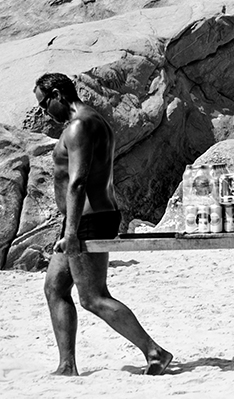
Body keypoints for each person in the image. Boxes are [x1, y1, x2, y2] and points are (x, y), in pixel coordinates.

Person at [34, 73, 173, 376]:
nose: (45, 113)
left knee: (93, 297)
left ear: (57, 94)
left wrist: (71, 232)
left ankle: (155, 352)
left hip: (87, 220)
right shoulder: (94, 120)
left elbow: (78, 181)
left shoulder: (79, 125)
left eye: (45, 105)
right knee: (55, 287)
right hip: (83, 218)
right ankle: (67, 365)